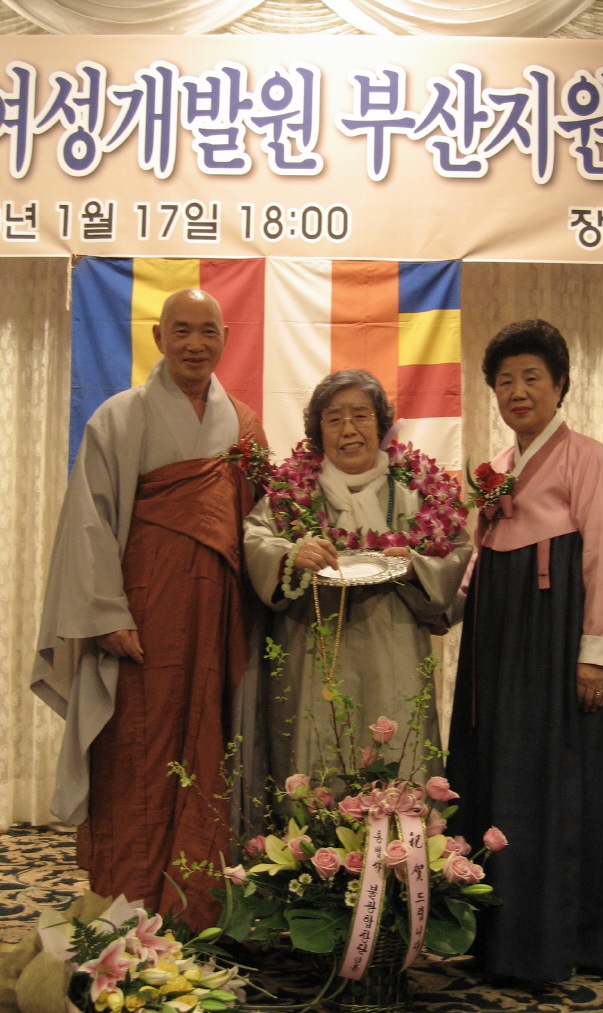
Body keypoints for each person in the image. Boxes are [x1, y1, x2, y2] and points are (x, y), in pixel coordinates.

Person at [31, 289, 267, 928]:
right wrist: (106, 613)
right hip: (143, 615)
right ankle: (126, 902)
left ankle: (196, 911)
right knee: (135, 749)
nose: (195, 344)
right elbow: (88, 522)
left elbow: (260, 524)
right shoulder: (119, 417)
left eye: (208, 331)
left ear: (225, 338)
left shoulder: (244, 426)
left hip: (217, 619)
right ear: (159, 338)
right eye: (181, 330)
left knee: (208, 750)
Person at [446, 319, 603, 983]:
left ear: (560, 384)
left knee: (563, 779)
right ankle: (504, 935)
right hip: (502, 645)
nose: (517, 391)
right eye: (505, 380)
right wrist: (443, 608)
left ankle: (573, 934)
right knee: (506, 775)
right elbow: (477, 558)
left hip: (563, 637)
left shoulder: (589, 458)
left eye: (531, 377)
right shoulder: (499, 468)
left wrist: (598, 653)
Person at [244, 369, 471, 784]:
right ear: (318, 432)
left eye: (360, 415)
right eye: (334, 418)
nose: (348, 429)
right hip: (313, 652)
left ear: (380, 425)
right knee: (316, 764)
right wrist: (292, 555)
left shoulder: (419, 490)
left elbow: (456, 547)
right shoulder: (291, 495)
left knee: (398, 763)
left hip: (395, 651)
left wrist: (416, 566)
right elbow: (257, 540)